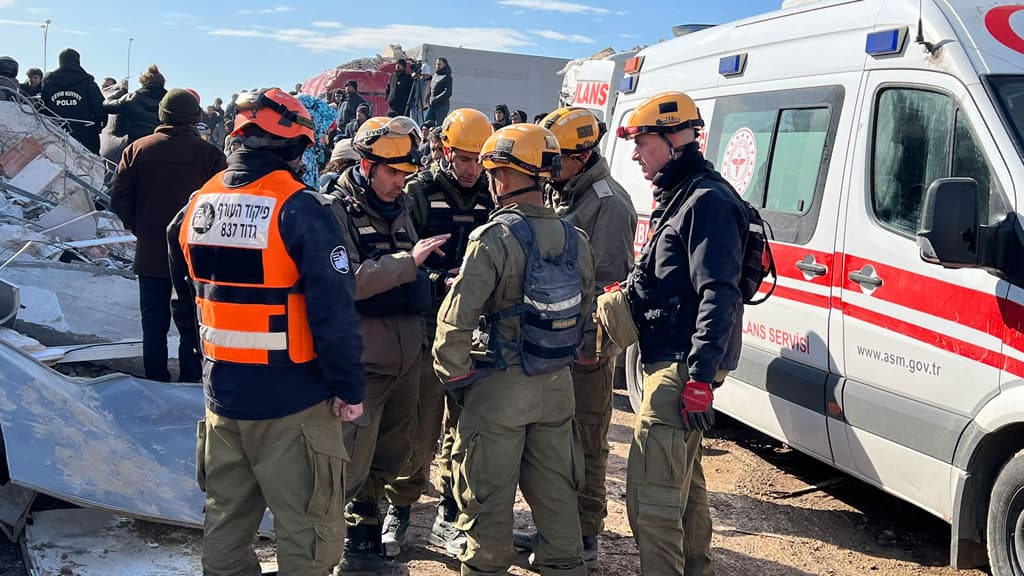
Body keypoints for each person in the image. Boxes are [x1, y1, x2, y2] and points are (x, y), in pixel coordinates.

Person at [168, 87, 365, 575]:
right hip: (292, 402)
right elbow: (333, 310)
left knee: (226, 529)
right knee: (309, 533)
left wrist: (204, 363)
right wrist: (348, 388)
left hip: (223, 397)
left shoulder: (197, 205)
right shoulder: (300, 208)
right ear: (296, 148)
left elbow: (185, 298)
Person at [433, 123, 594, 576]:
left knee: (486, 505)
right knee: (559, 500)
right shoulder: (574, 238)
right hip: (556, 388)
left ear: (502, 177)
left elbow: (455, 322)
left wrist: (458, 379)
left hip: (499, 389)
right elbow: (585, 318)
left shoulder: (494, 238)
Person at [614, 90, 748, 576]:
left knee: (651, 503)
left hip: (679, 368)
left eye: (643, 142)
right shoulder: (684, 194)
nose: (635, 154)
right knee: (684, 491)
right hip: (671, 362)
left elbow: (720, 293)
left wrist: (699, 376)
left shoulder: (706, 201)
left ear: (675, 139)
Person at [319, 115, 449, 571]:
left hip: (405, 358)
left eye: (405, 174)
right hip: (364, 363)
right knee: (348, 464)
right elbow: (347, 284)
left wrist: (432, 278)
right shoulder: (335, 211)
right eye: (392, 173)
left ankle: (366, 534)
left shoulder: (400, 208)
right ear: (368, 165)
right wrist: (407, 263)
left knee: (391, 455)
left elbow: (408, 272)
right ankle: (333, 548)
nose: (400, 183)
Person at [513, 107, 637, 564]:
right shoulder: (561, 190)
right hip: (553, 347)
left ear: (582, 156)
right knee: (550, 445)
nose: (547, 166)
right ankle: (554, 529)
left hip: (584, 352)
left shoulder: (609, 204)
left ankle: (583, 536)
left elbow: (607, 289)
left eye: (556, 158)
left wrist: (588, 350)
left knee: (586, 442)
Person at [388, 108, 494, 557]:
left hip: (479, 328)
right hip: (431, 322)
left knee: (467, 426)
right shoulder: (418, 192)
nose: (471, 169)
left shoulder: (494, 191)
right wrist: (436, 281)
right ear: (445, 151)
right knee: (421, 423)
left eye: (479, 160)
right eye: (464, 159)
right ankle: (401, 507)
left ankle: (451, 510)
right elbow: (397, 256)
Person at [110, 89, 226, 383]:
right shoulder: (211, 155)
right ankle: (190, 379)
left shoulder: (137, 149)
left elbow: (119, 199)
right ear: (195, 118)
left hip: (151, 253)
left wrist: (142, 228)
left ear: (162, 115)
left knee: (153, 322)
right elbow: (223, 205)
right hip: (196, 257)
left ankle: (155, 379)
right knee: (194, 323)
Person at [41, 48, 106, 153]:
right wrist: (99, 125)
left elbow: (42, 109)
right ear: (78, 61)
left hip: (56, 137)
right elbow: (99, 107)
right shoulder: (88, 82)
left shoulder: (49, 83)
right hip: (86, 138)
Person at [102, 65, 167, 146]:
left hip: (136, 145)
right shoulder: (169, 101)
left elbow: (107, 105)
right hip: (162, 144)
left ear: (143, 82)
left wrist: (122, 90)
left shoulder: (133, 97)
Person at [424, 57, 452, 125]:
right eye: (436, 64)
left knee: (439, 125)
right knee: (427, 123)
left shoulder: (447, 77)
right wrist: (428, 96)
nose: (437, 66)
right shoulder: (435, 75)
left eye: (439, 64)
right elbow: (432, 87)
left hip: (441, 106)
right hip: (432, 105)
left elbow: (448, 92)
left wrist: (436, 99)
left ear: (444, 65)